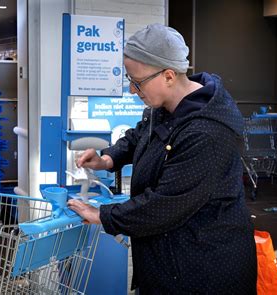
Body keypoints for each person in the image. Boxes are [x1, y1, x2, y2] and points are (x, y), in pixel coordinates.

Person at [67, 23, 257, 294]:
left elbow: (165, 204)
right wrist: (107, 159)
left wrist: (102, 215)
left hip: (203, 267)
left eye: (137, 81)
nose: (132, 90)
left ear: (168, 75)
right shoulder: (167, 106)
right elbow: (139, 136)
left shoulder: (207, 131)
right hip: (168, 258)